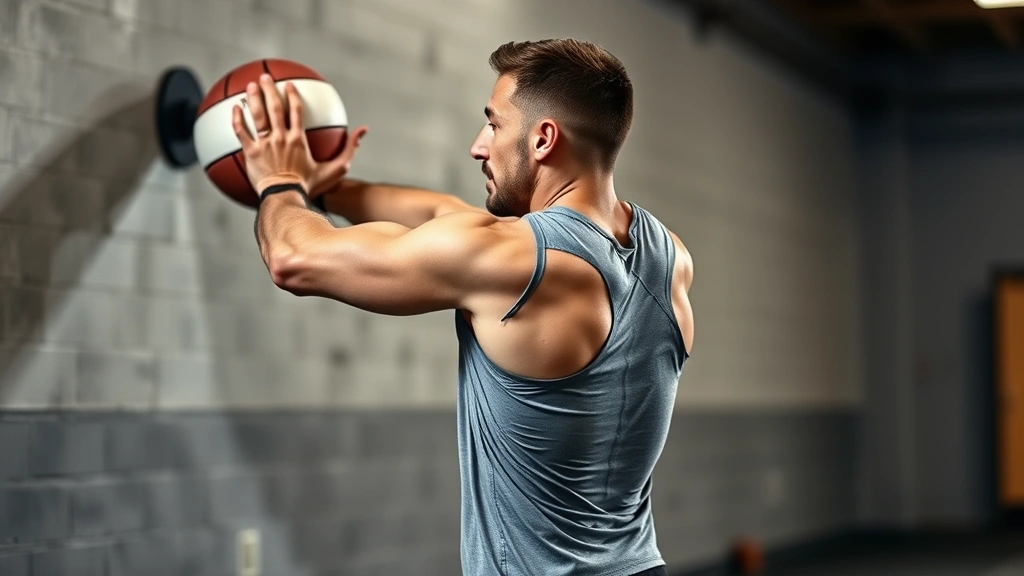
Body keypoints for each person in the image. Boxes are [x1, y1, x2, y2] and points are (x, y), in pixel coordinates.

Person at [231, 38, 694, 576]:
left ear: (543, 139)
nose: (480, 146)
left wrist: (278, 180)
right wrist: (329, 188)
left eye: (494, 124)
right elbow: (443, 212)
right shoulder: (669, 257)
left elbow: (293, 257)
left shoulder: (517, 262)